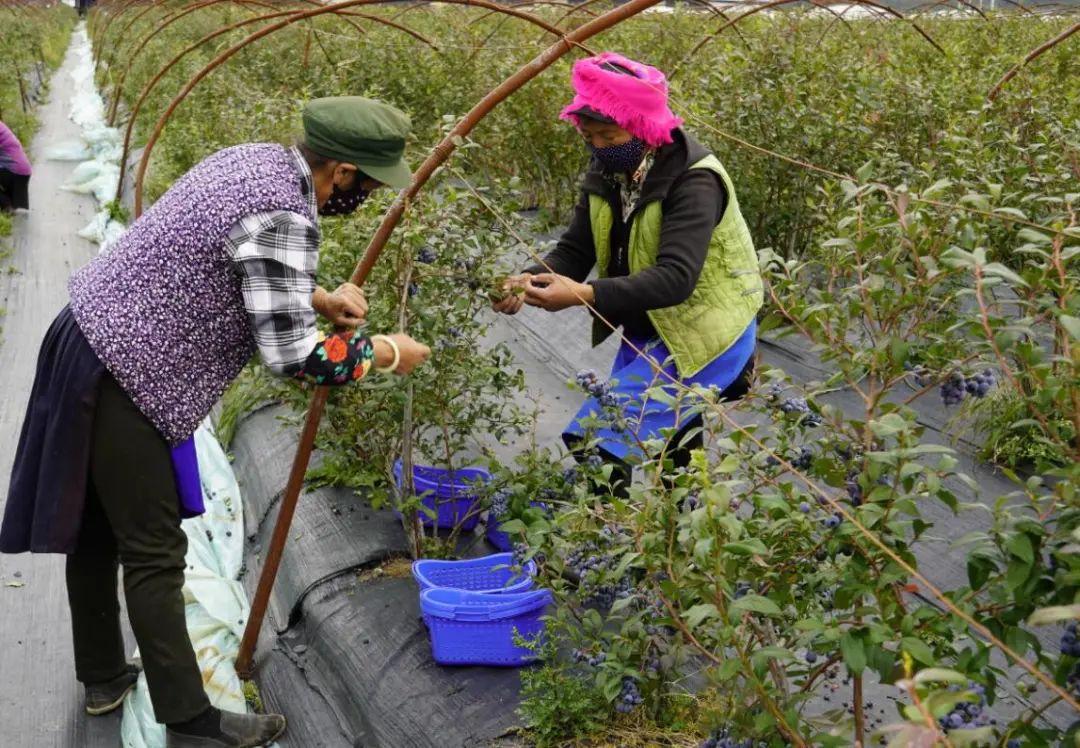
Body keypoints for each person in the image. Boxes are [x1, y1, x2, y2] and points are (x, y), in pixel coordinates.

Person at [0, 96, 431, 748]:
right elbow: (295, 358)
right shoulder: (286, 212)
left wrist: (319, 296)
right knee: (153, 552)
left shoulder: (254, 162)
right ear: (341, 171)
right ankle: (190, 721)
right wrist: (390, 352)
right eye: (369, 182)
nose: (368, 195)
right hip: (128, 375)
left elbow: (229, 255)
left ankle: (105, 677)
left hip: (81, 338)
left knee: (93, 529)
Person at [493, 53, 762, 493]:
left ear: (642, 126)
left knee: (598, 437)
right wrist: (528, 280)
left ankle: (605, 537)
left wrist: (585, 294)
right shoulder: (609, 171)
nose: (597, 146)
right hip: (649, 324)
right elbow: (575, 249)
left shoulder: (694, 180)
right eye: (589, 136)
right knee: (675, 442)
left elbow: (676, 277)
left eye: (608, 134)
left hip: (703, 331)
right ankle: (676, 542)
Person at [0, 120, 31, 213]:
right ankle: (9, 204)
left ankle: (6, 205)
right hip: (22, 173)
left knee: (13, 207)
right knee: (18, 208)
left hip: (14, 172)